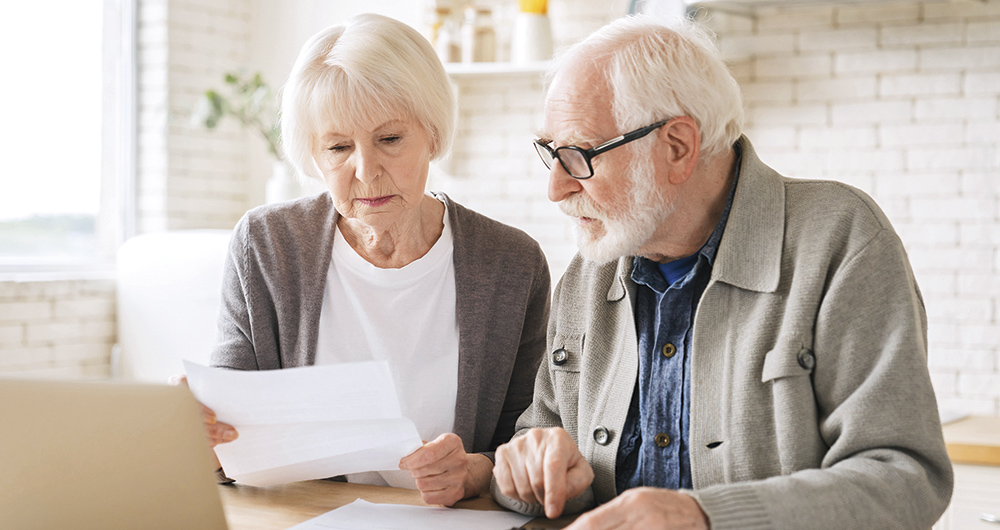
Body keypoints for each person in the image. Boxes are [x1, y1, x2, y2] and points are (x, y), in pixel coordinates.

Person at [491, 15, 953, 530]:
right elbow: (536, 447)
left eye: (577, 155)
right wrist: (526, 472)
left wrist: (705, 516)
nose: (556, 188)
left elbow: (905, 479)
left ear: (677, 147)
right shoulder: (589, 272)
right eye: (550, 153)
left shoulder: (839, 240)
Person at [187, 13, 550, 507]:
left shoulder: (512, 263)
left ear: (433, 135)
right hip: (306, 518)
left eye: (390, 139)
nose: (366, 170)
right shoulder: (266, 246)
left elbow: (530, 438)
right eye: (338, 147)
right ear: (314, 157)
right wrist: (198, 432)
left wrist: (474, 471)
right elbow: (228, 437)